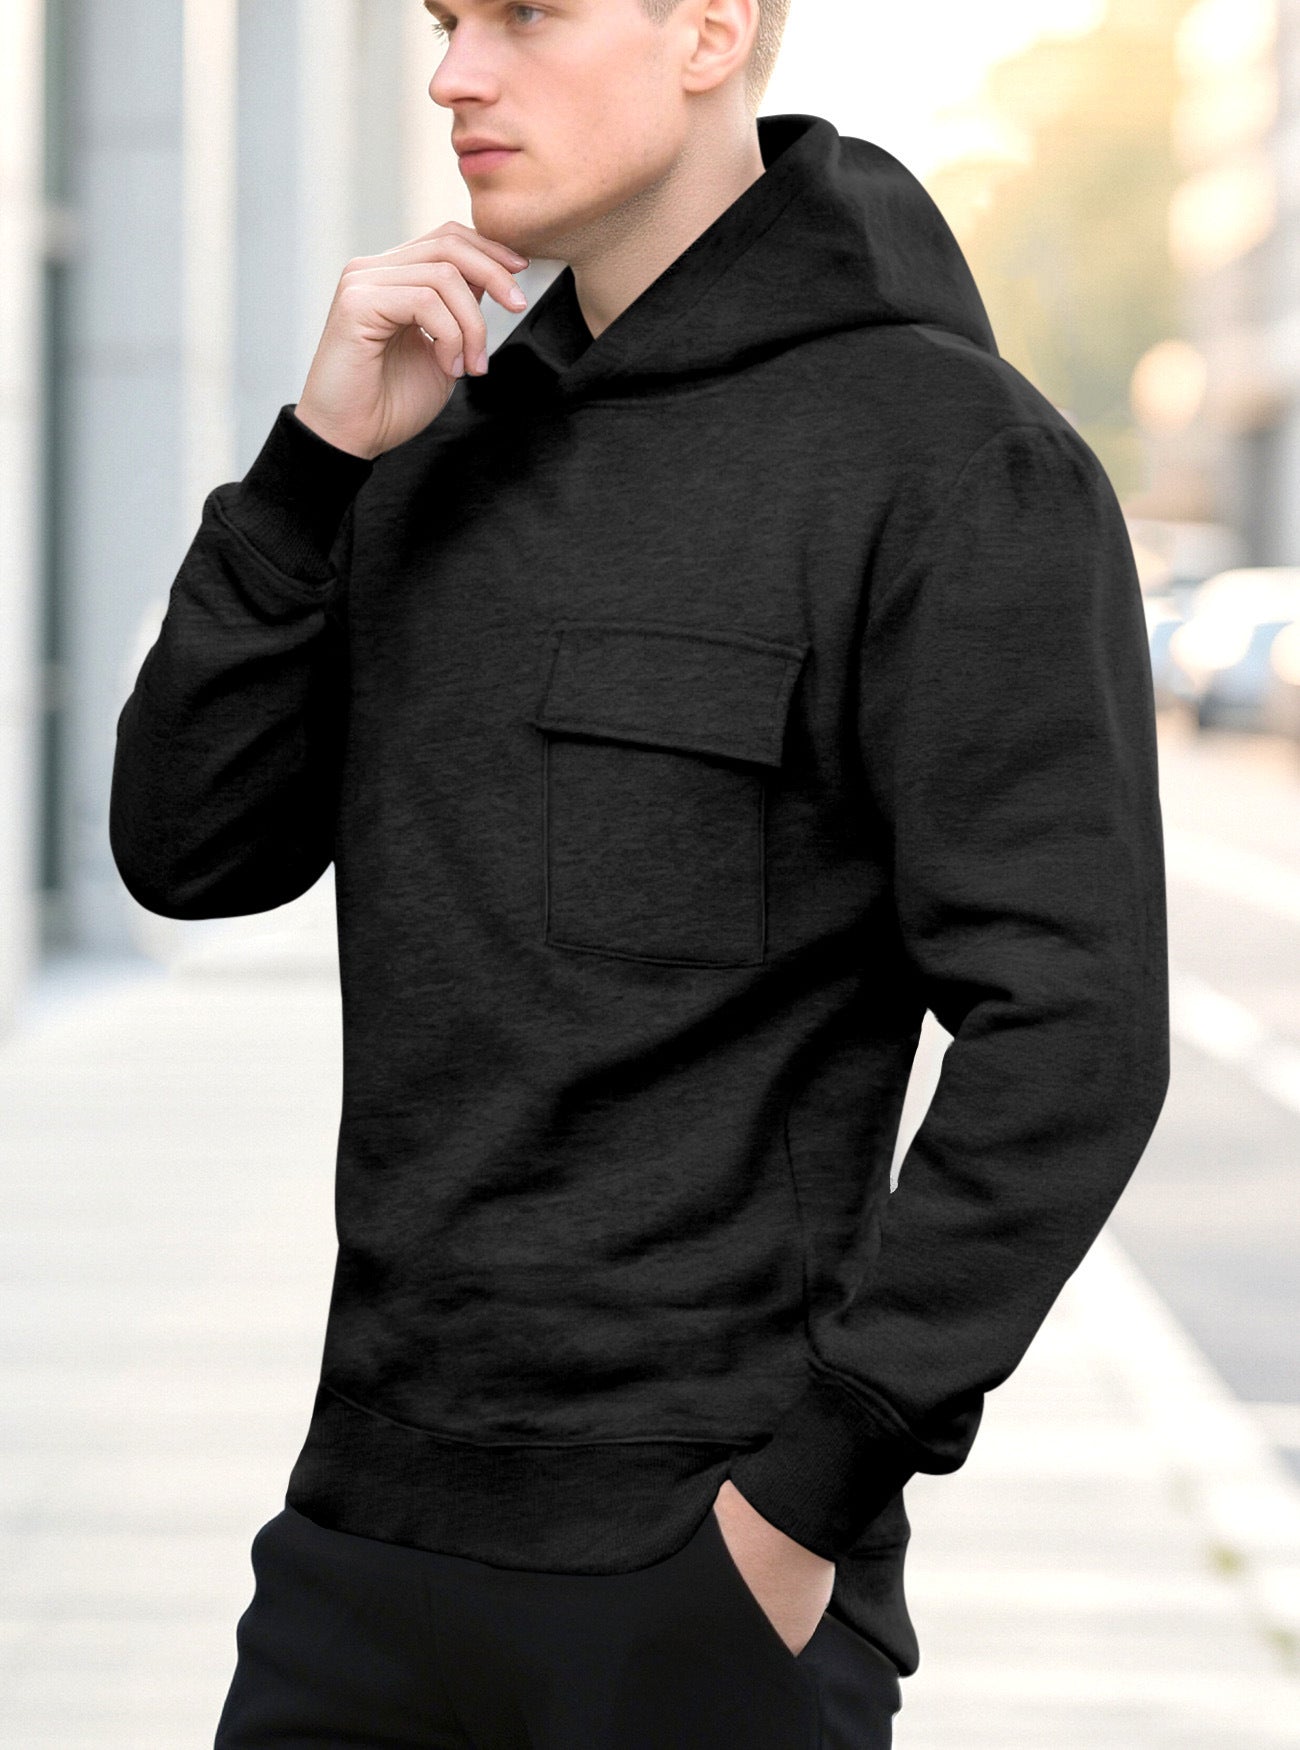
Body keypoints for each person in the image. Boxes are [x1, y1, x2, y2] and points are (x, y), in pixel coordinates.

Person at [108, 0, 1171, 1745]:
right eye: (445, 21)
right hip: (358, 1532)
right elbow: (187, 850)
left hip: (691, 1575)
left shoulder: (953, 462)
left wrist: (812, 1487)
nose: (456, 72)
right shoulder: (426, 434)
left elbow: (1075, 1031)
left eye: (526, 15)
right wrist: (308, 473)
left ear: (709, 30)